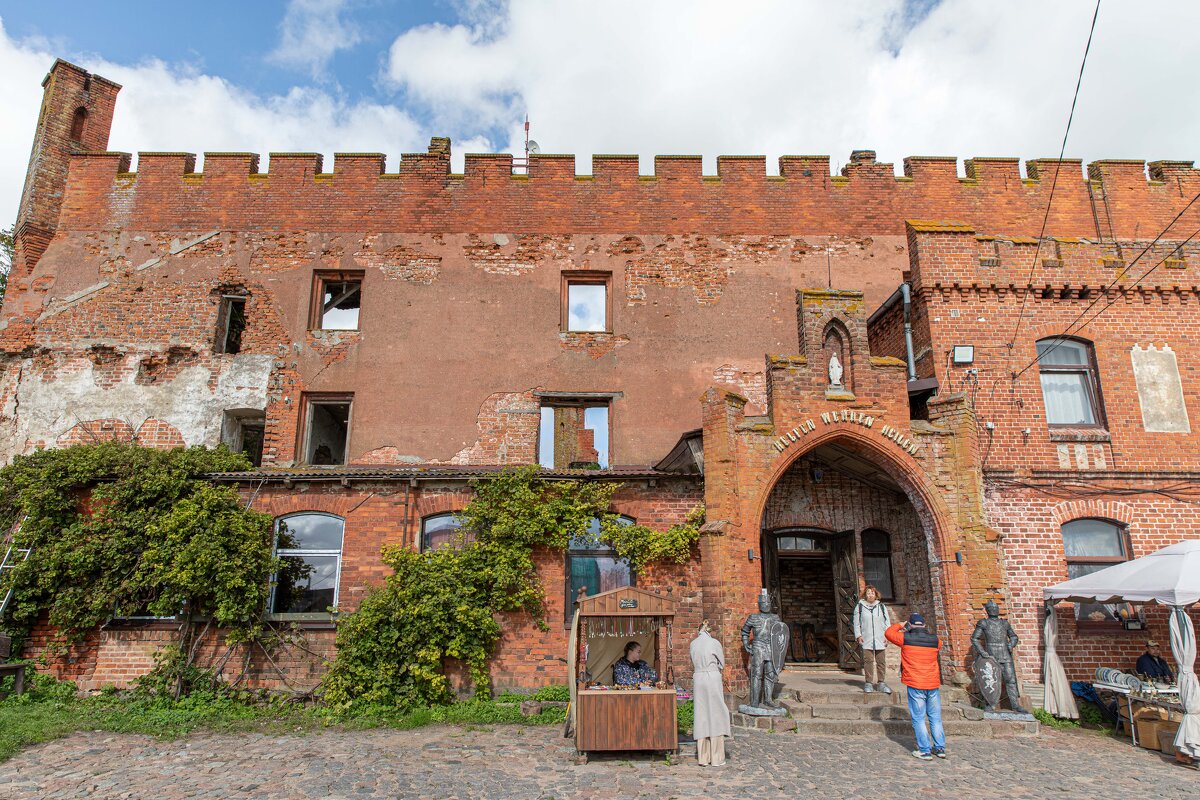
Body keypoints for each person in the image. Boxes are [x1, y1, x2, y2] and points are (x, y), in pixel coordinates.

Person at [885, 612, 946, 761]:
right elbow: (939, 645)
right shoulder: (935, 640)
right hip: (932, 683)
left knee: (918, 718)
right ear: (924, 625)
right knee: (935, 717)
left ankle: (924, 750)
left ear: (910, 625)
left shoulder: (905, 638)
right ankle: (940, 748)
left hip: (916, 682)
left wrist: (902, 624)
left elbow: (888, 633)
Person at [690, 620, 731, 767]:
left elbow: (692, 661)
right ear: (709, 631)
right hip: (712, 676)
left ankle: (703, 757)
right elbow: (721, 663)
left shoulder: (693, 644)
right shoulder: (714, 643)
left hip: (698, 677)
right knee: (716, 713)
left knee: (701, 715)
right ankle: (716, 756)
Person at [854, 585, 892, 694]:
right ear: (865, 595)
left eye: (872, 593)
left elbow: (887, 623)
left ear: (876, 595)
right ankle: (869, 682)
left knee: (881, 661)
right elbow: (856, 623)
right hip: (867, 637)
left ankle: (881, 682)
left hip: (880, 637)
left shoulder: (881, 607)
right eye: (868, 593)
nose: (870, 595)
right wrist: (858, 635)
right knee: (868, 661)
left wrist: (887, 636)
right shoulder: (860, 607)